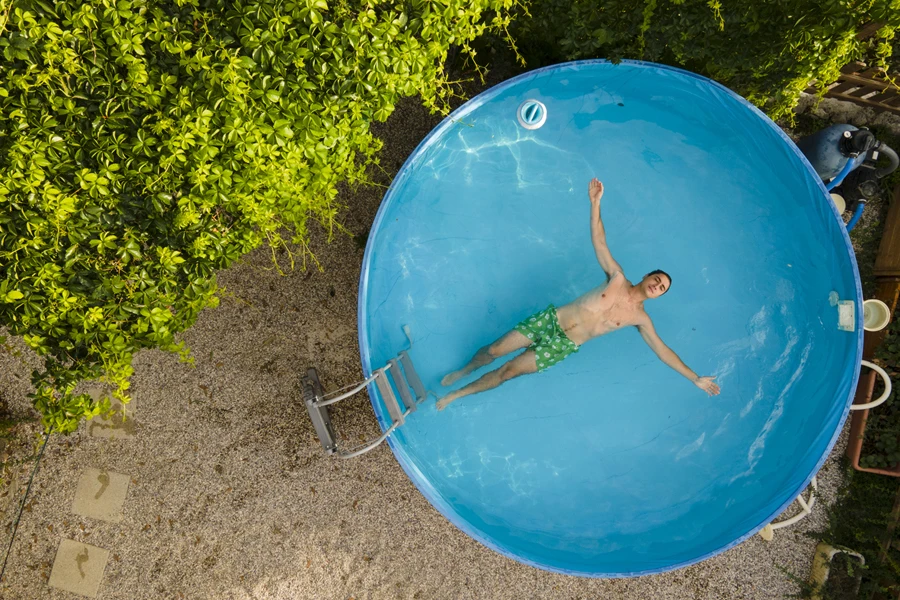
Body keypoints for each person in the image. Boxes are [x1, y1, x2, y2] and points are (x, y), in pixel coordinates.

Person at [436, 178, 721, 410]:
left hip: (565, 345)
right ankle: (467, 369)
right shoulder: (617, 278)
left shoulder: (640, 319)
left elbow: (663, 351)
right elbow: (599, 240)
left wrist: (694, 377)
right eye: (656, 279)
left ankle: (455, 396)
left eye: (661, 288)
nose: (656, 286)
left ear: (658, 296)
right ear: (647, 275)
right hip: (551, 321)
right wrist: (595, 204)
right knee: (496, 350)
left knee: (508, 372)